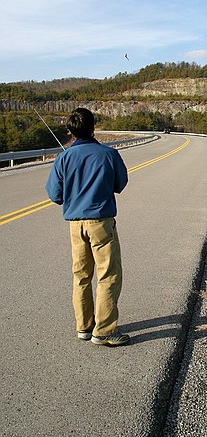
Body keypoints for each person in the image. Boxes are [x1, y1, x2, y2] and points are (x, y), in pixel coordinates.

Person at [46, 107, 129, 346]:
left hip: (75, 225)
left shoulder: (63, 158)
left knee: (81, 276)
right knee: (108, 275)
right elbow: (120, 183)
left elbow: (55, 195)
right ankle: (103, 331)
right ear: (93, 127)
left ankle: (84, 326)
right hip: (101, 223)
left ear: (70, 130)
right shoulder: (108, 154)